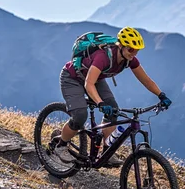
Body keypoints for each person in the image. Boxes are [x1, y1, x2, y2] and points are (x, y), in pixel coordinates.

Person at [54, 26, 172, 164]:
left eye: (137, 50)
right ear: (121, 45)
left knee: (113, 111)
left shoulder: (130, 59)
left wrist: (161, 95)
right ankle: (61, 145)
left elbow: (146, 80)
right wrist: (100, 103)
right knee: (80, 116)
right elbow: (88, 84)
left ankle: (106, 152)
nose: (133, 53)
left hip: (95, 79)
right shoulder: (103, 57)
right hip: (72, 78)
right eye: (130, 49)